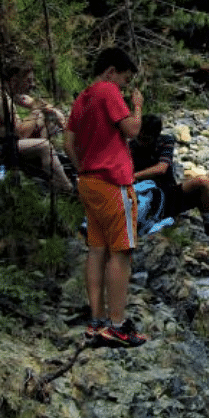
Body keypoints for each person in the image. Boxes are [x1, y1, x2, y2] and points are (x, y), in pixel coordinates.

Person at [64, 47, 148, 348]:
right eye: (124, 79)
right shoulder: (108, 91)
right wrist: (136, 106)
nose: (124, 87)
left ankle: (97, 320)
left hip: (89, 181)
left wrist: (82, 168)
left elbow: (68, 142)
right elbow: (132, 130)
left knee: (96, 249)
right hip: (113, 181)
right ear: (111, 71)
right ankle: (116, 325)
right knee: (121, 251)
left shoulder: (83, 98)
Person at [130, 114, 209, 246]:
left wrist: (135, 175)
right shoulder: (130, 147)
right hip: (156, 200)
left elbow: (162, 168)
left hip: (171, 192)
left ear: (155, 135)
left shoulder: (166, 141)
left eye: (146, 138)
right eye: (140, 137)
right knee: (202, 182)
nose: (142, 142)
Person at [0, 58, 74, 192]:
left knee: (44, 120)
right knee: (44, 145)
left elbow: (39, 104)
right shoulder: (0, 97)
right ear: (14, 80)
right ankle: (66, 187)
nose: (31, 85)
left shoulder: (12, 93)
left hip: (10, 143)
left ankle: (45, 175)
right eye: (28, 80)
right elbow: (20, 132)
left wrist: (56, 113)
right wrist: (35, 110)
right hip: (1, 147)